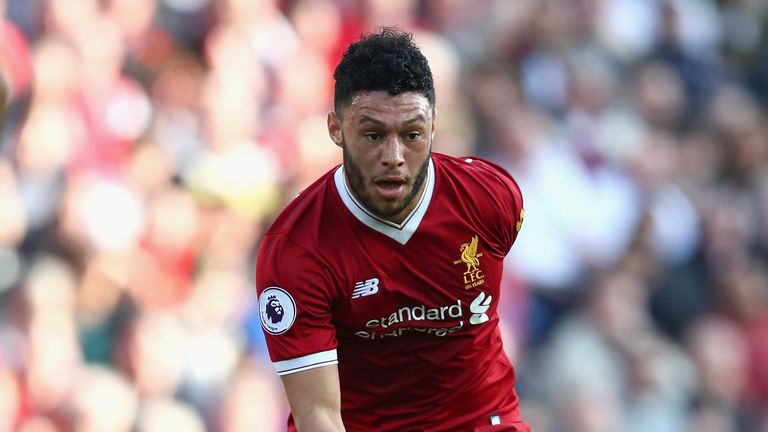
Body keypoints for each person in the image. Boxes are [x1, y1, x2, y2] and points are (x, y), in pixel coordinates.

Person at [256, 27, 528, 432]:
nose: (394, 156)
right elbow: (319, 416)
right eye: (372, 135)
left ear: (434, 125)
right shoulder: (298, 249)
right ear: (336, 130)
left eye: (412, 134)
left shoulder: (491, 199)